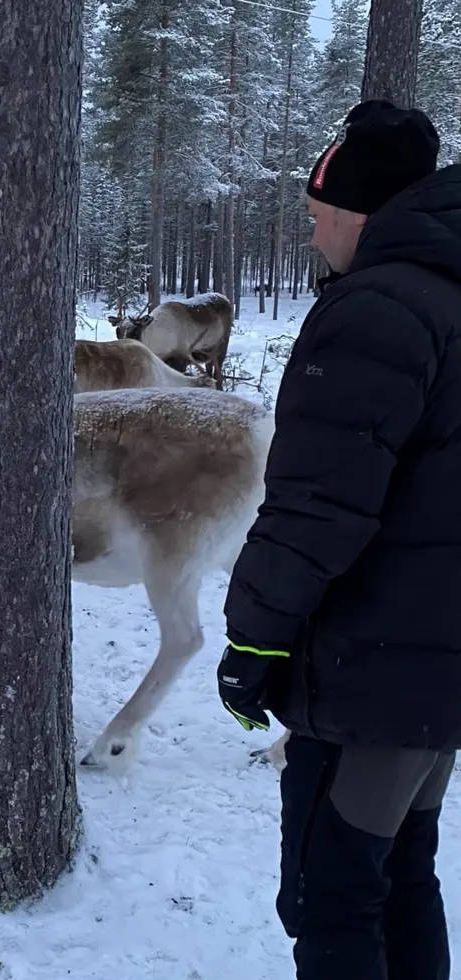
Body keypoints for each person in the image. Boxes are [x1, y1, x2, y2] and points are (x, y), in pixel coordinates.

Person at [217, 99, 461, 980]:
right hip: (435, 670)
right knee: (398, 879)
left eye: (318, 212)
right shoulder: (448, 299)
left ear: (357, 212)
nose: (314, 232)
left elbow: (317, 507)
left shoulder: (375, 313)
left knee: (333, 897)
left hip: (370, 670)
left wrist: (253, 641)